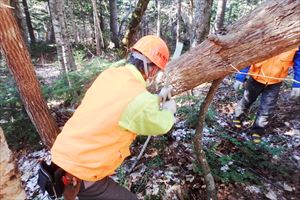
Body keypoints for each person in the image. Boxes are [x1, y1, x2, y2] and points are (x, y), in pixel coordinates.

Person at [45, 35, 176, 200]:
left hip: (64, 156)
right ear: (153, 70)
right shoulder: (138, 98)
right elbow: (161, 124)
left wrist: (155, 99)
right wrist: (169, 110)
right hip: (82, 170)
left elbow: (119, 107)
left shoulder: (109, 75)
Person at [232, 47, 300, 143]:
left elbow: (298, 63)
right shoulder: (266, 35)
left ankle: (257, 130)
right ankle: (237, 117)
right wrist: (240, 77)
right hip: (256, 78)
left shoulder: (295, 43)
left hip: (275, 82)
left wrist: (297, 83)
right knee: (247, 99)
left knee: (267, 108)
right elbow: (250, 55)